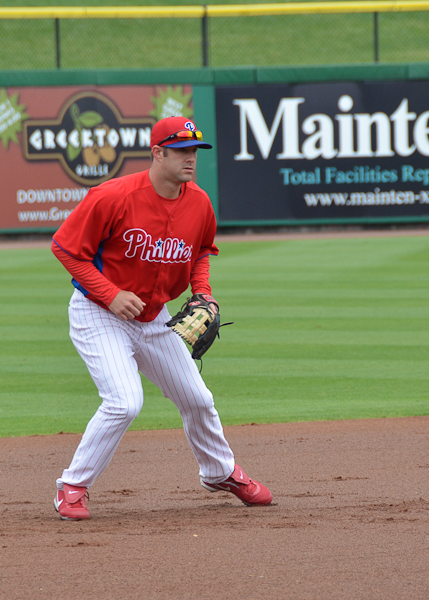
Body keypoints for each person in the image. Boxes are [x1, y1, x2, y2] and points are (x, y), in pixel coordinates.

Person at [50, 116, 273, 520]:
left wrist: (202, 292)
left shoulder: (199, 202)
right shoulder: (112, 197)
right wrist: (110, 294)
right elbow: (66, 248)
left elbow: (202, 251)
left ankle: (220, 473)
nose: (191, 159)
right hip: (98, 314)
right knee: (124, 402)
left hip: (154, 319)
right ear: (158, 153)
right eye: (182, 150)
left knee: (198, 398)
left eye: (195, 151)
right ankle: (73, 486)